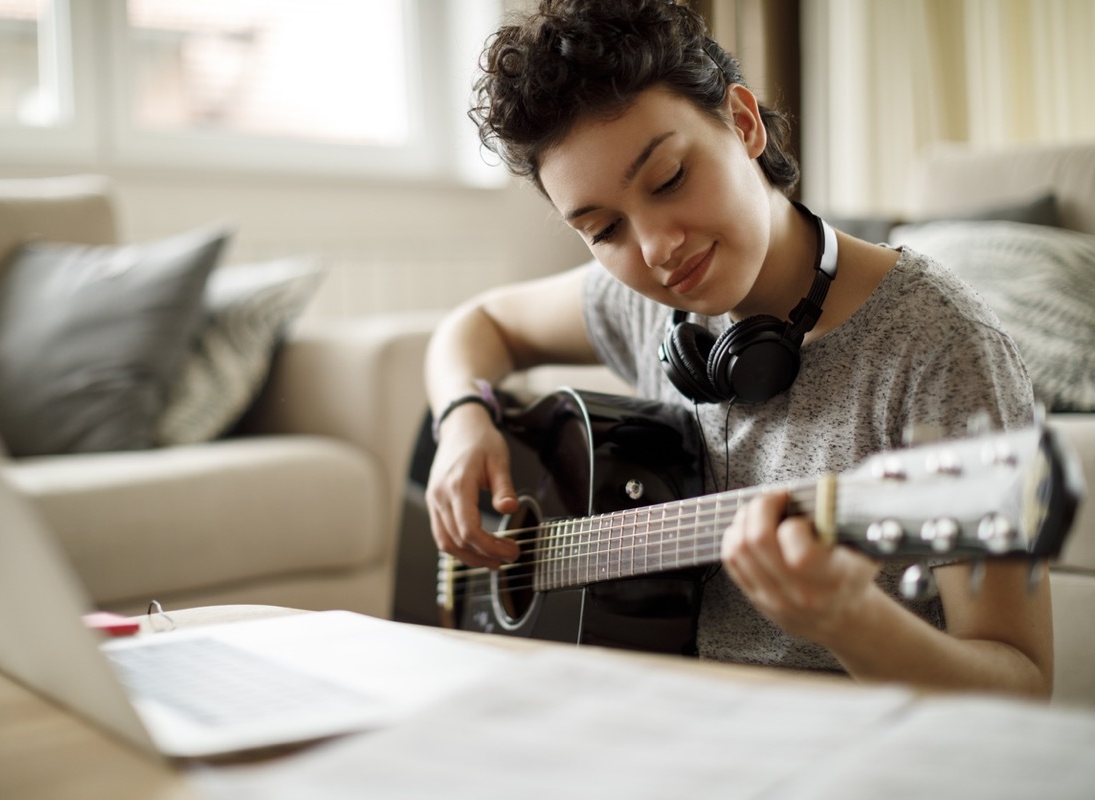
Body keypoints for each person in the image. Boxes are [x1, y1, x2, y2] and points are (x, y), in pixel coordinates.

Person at [424, 0, 1051, 698]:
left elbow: (1020, 686)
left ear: (744, 123)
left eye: (669, 180)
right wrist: (462, 418)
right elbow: (476, 324)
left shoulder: (940, 349)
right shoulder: (641, 304)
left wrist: (852, 621)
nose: (657, 250)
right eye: (604, 231)